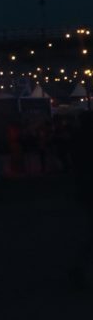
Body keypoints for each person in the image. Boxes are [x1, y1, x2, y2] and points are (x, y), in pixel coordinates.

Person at [69, 113, 93, 287]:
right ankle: (80, 270)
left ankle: (80, 270)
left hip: (85, 189)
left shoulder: (78, 141)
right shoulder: (85, 142)